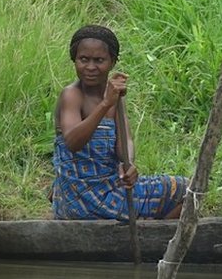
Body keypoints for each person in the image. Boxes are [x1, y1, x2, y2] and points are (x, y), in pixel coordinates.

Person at [50, 24, 188, 220]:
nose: (90, 67)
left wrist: (128, 164)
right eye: (83, 60)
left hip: (112, 186)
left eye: (99, 60)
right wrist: (106, 104)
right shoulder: (72, 95)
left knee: (189, 190)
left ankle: (152, 241)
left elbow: (125, 139)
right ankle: (147, 236)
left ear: (112, 62)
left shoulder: (115, 96)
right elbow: (72, 142)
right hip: (82, 198)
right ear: (74, 60)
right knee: (186, 190)